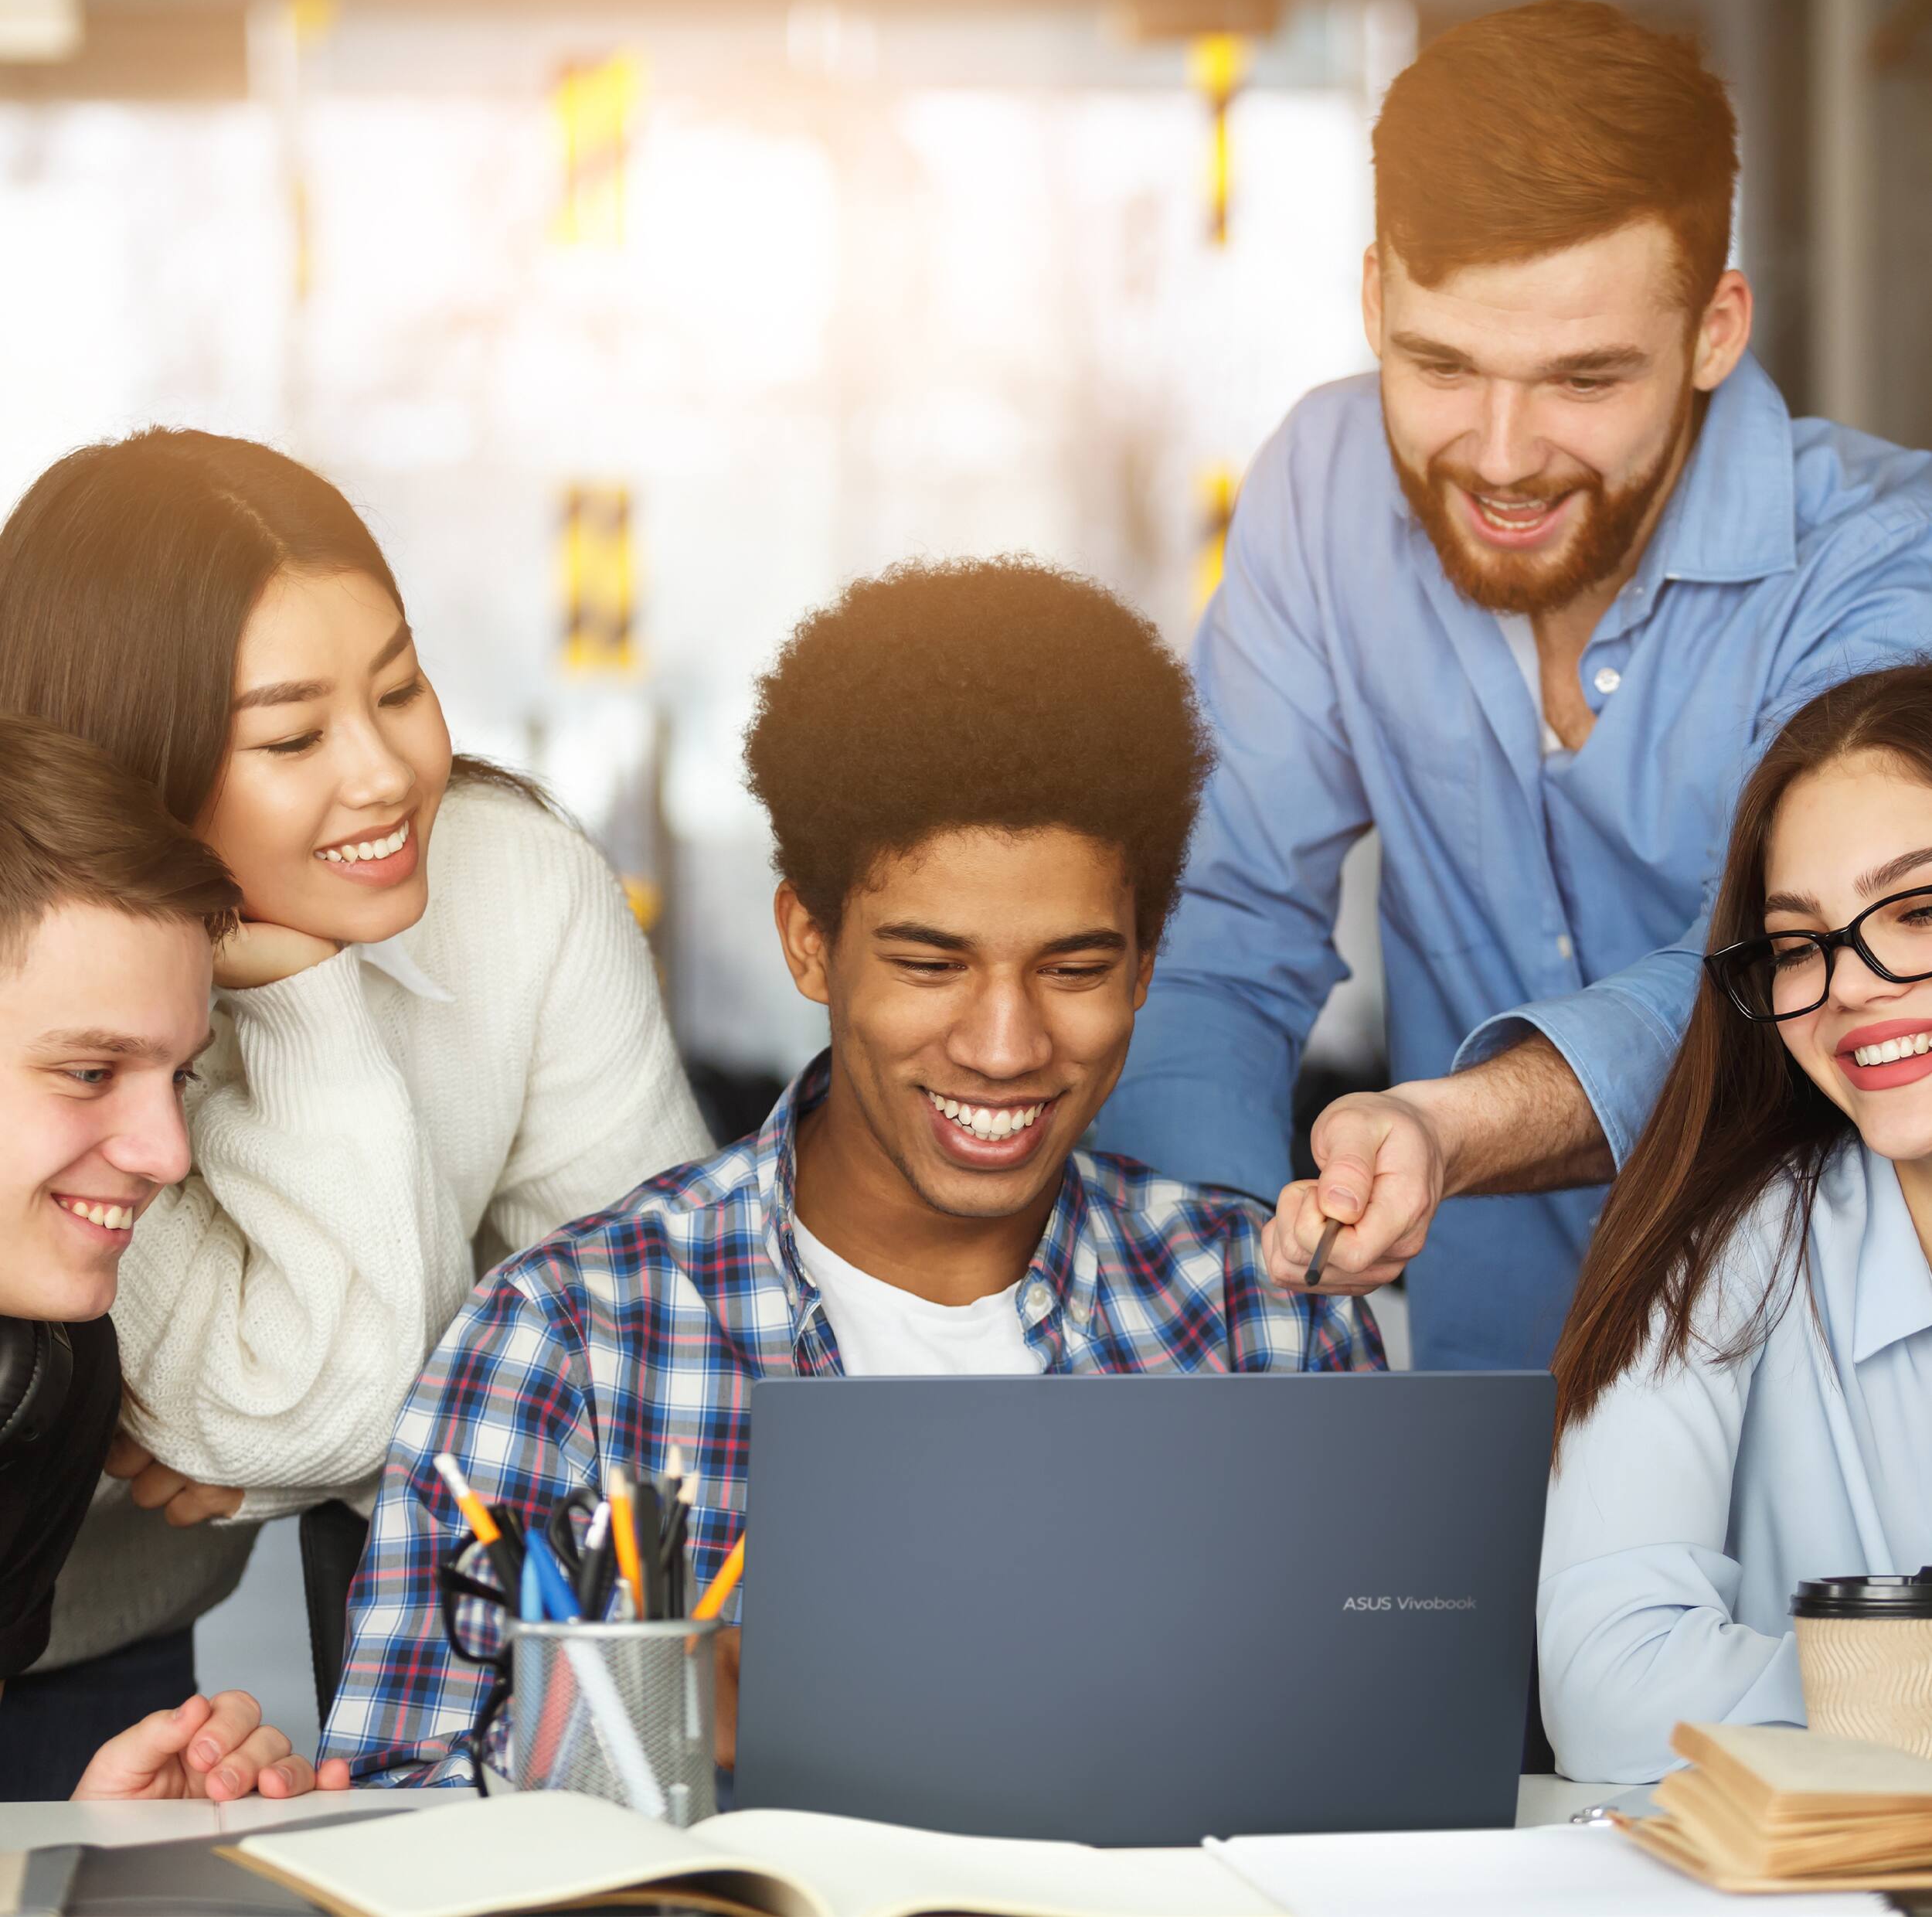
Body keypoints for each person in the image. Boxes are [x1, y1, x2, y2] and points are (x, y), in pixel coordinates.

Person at [321, 556, 1384, 1784]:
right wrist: (670, 1727)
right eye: (931, 965)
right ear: (809, 944)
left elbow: (1372, 1779)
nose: (1005, 1047)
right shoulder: (570, 1340)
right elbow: (390, 1814)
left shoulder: (1269, 1322)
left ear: (1148, 967)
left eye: (1076, 970)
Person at [1091, 0, 1932, 1369]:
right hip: (1496, 1401)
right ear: (1375, 299)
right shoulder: (1323, 492)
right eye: (1439, 365)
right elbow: (1226, 929)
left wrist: (1455, 1128)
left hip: (1830, 1398)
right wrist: (1212, 1307)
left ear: (1717, 330)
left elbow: (1795, 976)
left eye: (1582, 379)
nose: (1500, 456)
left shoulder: (1887, 569)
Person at [0, 431, 712, 1796]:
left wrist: (312, 1447)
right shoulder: (64, 961)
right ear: (135, 765)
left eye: (401, 689)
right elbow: (285, 1414)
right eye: (291, 735)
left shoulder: (522, 888)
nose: (385, 774)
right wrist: (312, 1008)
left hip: (124, 1649)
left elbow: (638, 1378)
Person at [1540, 662, 1932, 1782]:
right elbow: (1608, 1684)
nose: (1850, 988)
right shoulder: (1723, 1249)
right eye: (1801, 944)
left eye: (1918, 912)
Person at [0, 710, 350, 1802]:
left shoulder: (48, 1375)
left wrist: (76, 1844)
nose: (167, 1155)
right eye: (91, 1073)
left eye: (180, 1077)